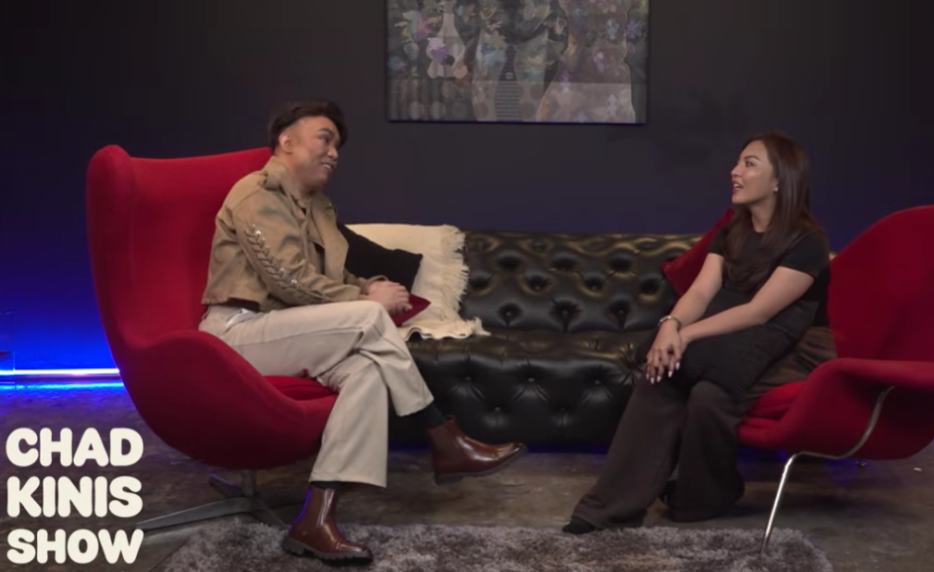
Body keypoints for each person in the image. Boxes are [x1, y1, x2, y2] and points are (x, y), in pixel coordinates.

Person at [198, 99, 527, 565]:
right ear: (286, 141)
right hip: (237, 331)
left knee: (368, 373)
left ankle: (315, 518)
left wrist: (369, 286)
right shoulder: (257, 193)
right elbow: (287, 280)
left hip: (285, 331)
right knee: (370, 317)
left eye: (338, 145)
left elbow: (328, 277)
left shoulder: (318, 207)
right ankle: (443, 437)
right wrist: (368, 301)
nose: (334, 152)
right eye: (324, 138)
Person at [562, 132, 837, 533]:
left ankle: (704, 496)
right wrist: (670, 327)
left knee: (711, 396)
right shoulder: (732, 231)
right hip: (738, 336)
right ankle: (608, 507)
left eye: (749, 164)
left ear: (781, 180)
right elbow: (701, 292)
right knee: (662, 375)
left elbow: (760, 310)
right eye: (737, 162)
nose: (735, 171)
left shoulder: (808, 241)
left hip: (796, 347)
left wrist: (687, 336)